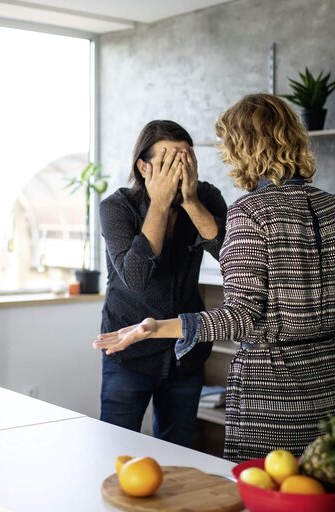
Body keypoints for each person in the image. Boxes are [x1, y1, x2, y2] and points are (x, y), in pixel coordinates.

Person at [93, 94, 335, 463]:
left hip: (270, 399)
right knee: (324, 492)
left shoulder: (250, 212)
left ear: (243, 148)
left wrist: (155, 327)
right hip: (332, 391)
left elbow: (241, 317)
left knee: (265, 495)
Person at [97, 120, 228, 448]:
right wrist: (159, 204)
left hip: (186, 353)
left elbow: (229, 254)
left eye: (186, 159)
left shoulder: (206, 196)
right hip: (129, 352)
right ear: (143, 166)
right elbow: (137, 278)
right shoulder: (116, 207)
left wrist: (190, 203)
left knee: (179, 453)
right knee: (115, 449)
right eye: (168, 161)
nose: (178, 169)